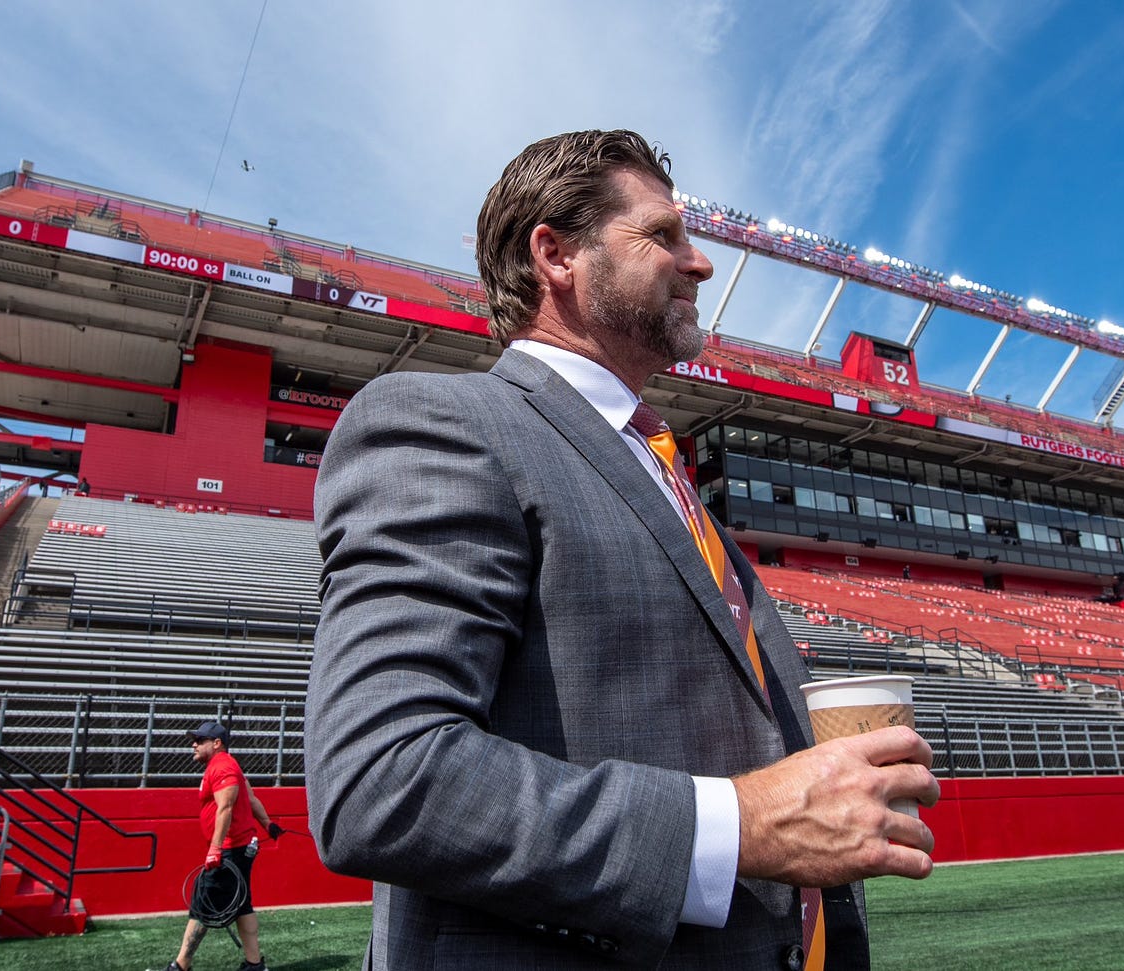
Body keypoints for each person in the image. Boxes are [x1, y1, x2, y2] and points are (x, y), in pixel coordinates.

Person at [306, 129, 939, 970]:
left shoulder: (668, 476)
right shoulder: (445, 424)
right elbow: (382, 780)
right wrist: (739, 826)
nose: (700, 262)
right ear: (556, 254)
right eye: (663, 235)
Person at [163, 721, 284, 971]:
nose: (193, 744)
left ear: (216, 743)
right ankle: (254, 964)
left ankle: (181, 965)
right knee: (242, 904)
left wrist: (215, 848)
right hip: (238, 848)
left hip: (230, 849)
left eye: (199, 740)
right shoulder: (227, 766)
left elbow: (226, 808)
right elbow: (250, 799)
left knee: (203, 903)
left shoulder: (223, 767)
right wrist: (268, 825)